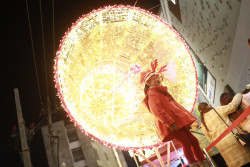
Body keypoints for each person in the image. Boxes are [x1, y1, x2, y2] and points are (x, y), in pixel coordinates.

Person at [140, 59, 210, 167]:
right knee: (186, 143)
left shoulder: (159, 92)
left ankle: (202, 162)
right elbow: (157, 110)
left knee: (193, 141)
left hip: (177, 121)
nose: (158, 78)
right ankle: (195, 164)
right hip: (173, 123)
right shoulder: (152, 94)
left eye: (158, 76)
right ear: (148, 82)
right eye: (154, 78)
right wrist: (170, 122)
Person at [198, 93, 250, 167]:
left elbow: (210, 140)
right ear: (207, 106)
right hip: (236, 143)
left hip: (225, 151)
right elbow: (233, 106)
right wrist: (238, 95)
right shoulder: (217, 110)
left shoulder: (203, 124)